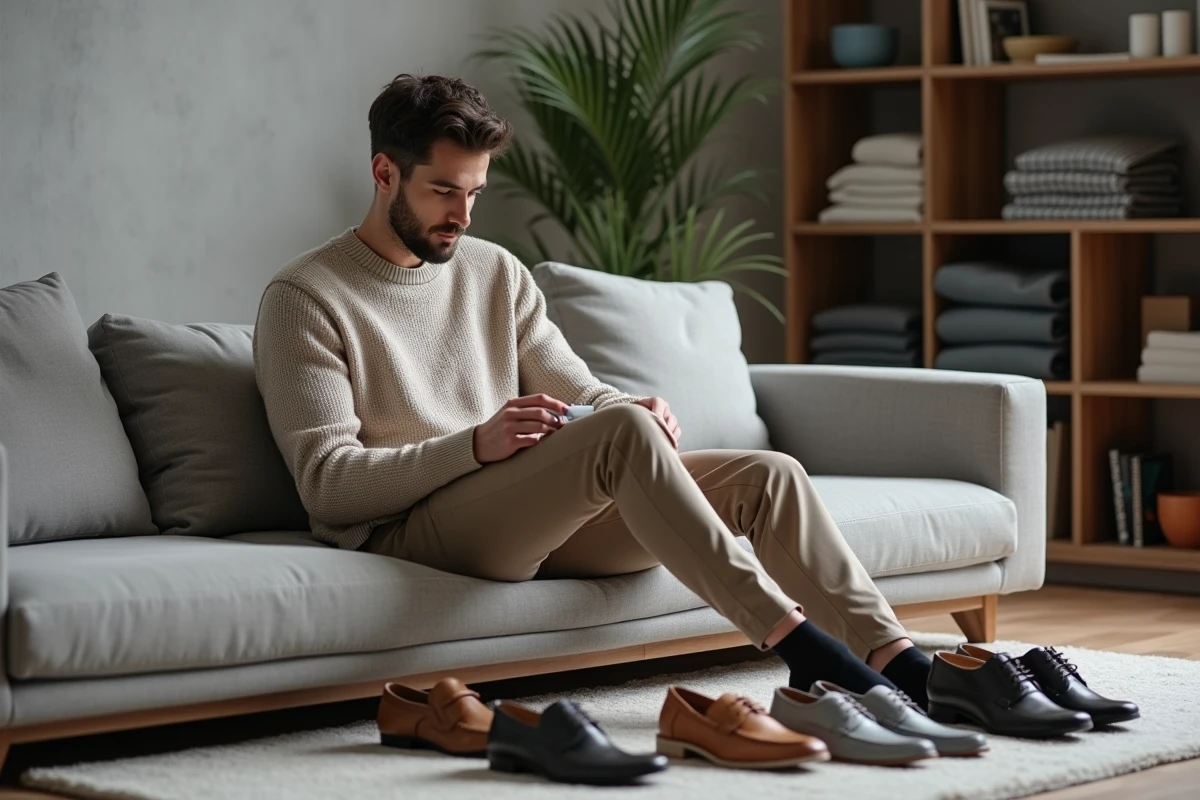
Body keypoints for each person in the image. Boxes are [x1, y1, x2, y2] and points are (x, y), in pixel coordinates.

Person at [252, 74, 933, 708]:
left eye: (475, 193)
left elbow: (581, 389)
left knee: (768, 476)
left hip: (522, 514)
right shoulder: (306, 295)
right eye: (443, 191)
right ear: (384, 174)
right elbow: (329, 486)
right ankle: (799, 645)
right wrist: (477, 445)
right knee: (619, 438)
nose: (463, 214)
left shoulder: (495, 272)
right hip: (411, 527)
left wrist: (630, 407)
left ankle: (897, 659)